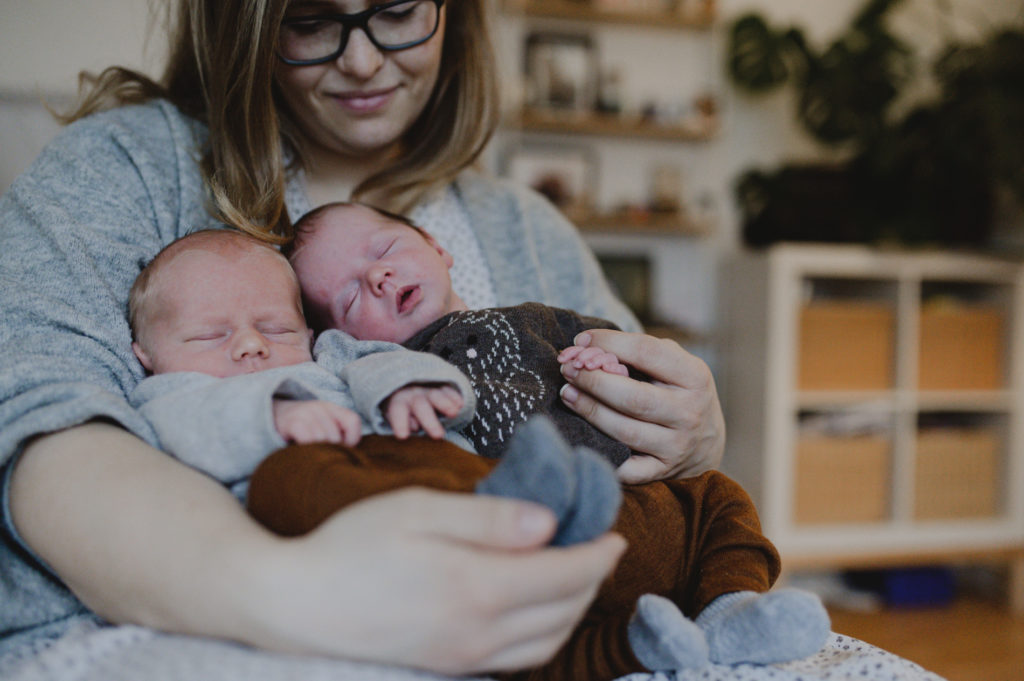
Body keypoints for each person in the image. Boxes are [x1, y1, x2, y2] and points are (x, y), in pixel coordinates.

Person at [0, 0, 726, 675]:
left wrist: (695, 437)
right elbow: (42, 425)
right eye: (313, 19)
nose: (363, 61)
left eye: (399, 9)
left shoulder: (529, 230)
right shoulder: (127, 170)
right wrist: (291, 591)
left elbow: (642, 447)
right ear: (245, 22)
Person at [128, 216, 828, 681]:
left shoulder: (534, 313)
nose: (373, 276)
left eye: (382, 250)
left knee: (720, 495)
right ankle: (626, 643)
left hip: (625, 493)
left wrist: (617, 367)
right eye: (346, 293)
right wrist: (385, 392)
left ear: (438, 245)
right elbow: (366, 368)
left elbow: (623, 350)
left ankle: (732, 610)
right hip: (515, 522)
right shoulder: (347, 358)